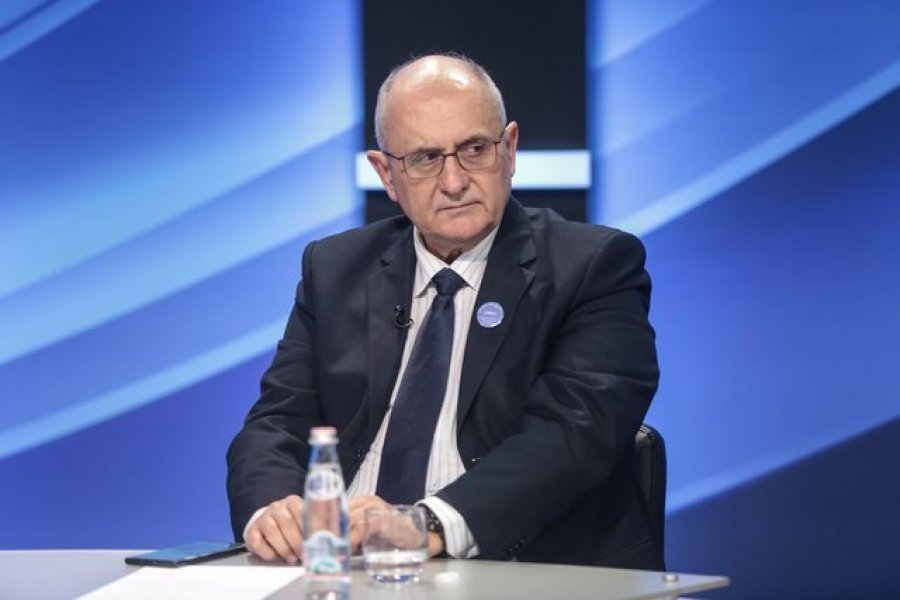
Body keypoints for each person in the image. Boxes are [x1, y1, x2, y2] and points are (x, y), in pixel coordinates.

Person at [226, 52, 661, 569]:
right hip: (347, 569)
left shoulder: (593, 266)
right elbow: (276, 422)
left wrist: (427, 524)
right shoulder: (335, 269)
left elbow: (576, 431)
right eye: (425, 159)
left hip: (512, 565)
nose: (453, 182)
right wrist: (273, 511)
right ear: (387, 174)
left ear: (509, 149)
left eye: (474, 149)